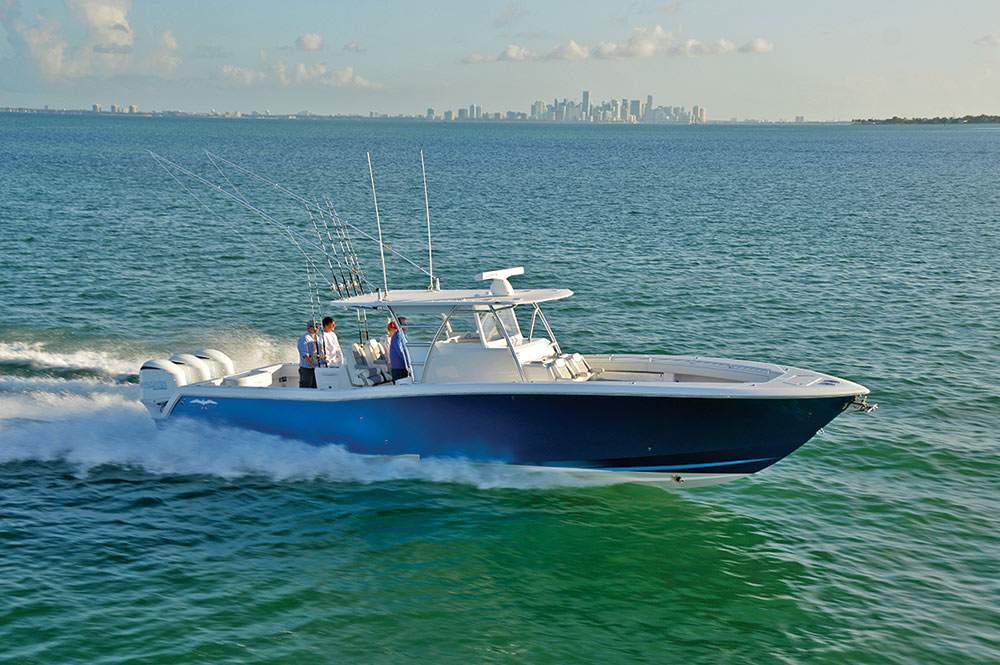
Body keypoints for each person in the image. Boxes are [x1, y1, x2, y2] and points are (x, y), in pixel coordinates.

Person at [297, 320, 320, 388]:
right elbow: (306, 356)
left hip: (315, 368)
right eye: (315, 326)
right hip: (307, 369)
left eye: (318, 326)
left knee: (315, 387)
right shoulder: (304, 338)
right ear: (309, 328)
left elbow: (317, 353)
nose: (317, 328)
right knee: (305, 388)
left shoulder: (317, 338)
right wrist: (314, 366)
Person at [389, 316, 409, 382]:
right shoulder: (397, 335)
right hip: (398, 367)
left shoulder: (404, 334)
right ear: (400, 325)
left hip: (404, 366)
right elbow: (399, 351)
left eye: (407, 323)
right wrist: (407, 361)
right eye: (405, 324)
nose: (407, 325)